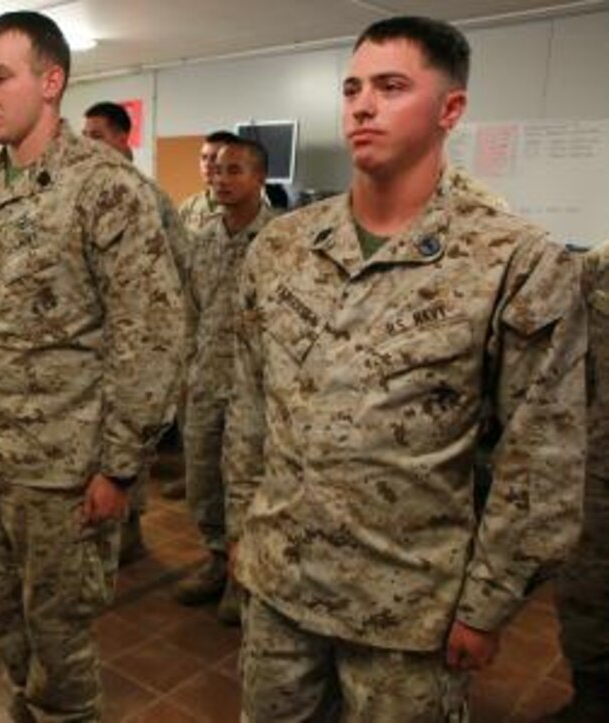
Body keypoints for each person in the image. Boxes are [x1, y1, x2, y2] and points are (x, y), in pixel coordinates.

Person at [223, 16, 586, 722]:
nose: (362, 105)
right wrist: (243, 528)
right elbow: (250, 403)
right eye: (353, 88)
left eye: (391, 87)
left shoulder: (512, 259)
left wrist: (487, 603)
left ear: (450, 109)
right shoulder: (284, 247)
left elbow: (541, 454)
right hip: (280, 587)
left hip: (407, 610)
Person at [0, 12, 185, 721]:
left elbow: (151, 331)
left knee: (59, 636)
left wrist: (118, 466)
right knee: (2, 616)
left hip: (64, 466)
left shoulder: (105, 187)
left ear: (51, 81)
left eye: (1, 76)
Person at [82, 100, 192, 556]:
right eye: (84, 136)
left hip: (132, 348)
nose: (89, 145)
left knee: (127, 449)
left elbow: (177, 266)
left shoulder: (144, 195)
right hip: (92, 354)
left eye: (98, 136)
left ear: (123, 138)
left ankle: (127, 535)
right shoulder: (84, 191)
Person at [174, 137, 276, 625]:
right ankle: (217, 559)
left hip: (255, 391)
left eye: (234, 170)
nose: (220, 178)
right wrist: (187, 370)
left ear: (259, 178)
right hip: (207, 379)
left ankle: (245, 576)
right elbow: (191, 310)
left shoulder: (281, 241)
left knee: (246, 484)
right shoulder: (203, 238)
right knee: (203, 479)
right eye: (216, 169)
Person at [546, 240, 609, 722]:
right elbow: (565, 372)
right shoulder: (598, 268)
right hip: (599, 475)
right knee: (586, 598)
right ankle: (591, 700)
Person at [178, 130, 239, 234]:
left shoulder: (248, 205)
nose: (207, 164)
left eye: (214, 158)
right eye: (204, 157)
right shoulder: (189, 207)